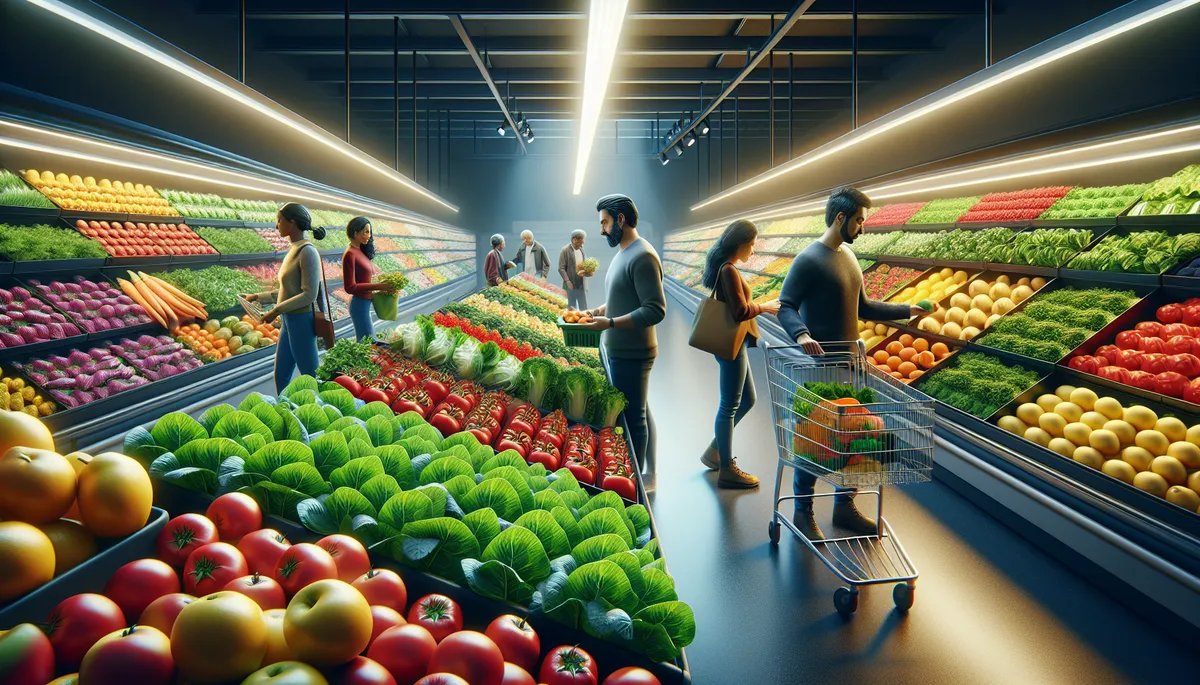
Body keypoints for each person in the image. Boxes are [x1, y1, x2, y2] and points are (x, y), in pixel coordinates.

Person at [777, 187, 930, 539]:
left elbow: (864, 307)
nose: (863, 228)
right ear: (841, 218)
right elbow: (786, 304)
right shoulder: (808, 260)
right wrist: (801, 335)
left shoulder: (848, 257)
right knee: (815, 441)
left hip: (850, 367)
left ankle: (845, 506)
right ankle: (803, 511)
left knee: (855, 440)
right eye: (859, 220)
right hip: (819, 368)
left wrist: (908, 311)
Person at [583, 194, 666, 472]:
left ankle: (639, 480)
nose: (601, 229)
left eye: (605, 222)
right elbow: (624, 297)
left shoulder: (643, 256)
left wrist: (610, 324)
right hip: (620, 348)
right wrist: (597, 312)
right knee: (639, 409)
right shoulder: (624, 253)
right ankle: (651, 469)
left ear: (620, 219)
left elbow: (654, 309)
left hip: (634, 351)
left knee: (633, 418)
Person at [697, 219, 780, 489]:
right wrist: (765, 306)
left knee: (747, 399)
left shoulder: (727, 269)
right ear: (741, 243)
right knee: (730, 404)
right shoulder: (729, 270)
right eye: (752, 244)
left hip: (736, 343)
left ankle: (714, 451)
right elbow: (740, 311)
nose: (753, 250)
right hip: (732, 345)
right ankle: (727, 469)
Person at [247, 203, 329, 394]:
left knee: (310, 377)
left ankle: (319, 416)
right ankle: (287, 412)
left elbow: (308, 295)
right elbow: (288, 290)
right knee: (281, 375)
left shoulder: (308, 252)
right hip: (288, 321)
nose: (276, 225)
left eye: (279, 220)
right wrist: (258, 297)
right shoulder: (294, 249)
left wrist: (276, 310)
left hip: (302, 322)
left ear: (291, 222)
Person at [342, 216, 390, 341]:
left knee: (368, 341)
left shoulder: (360, 251)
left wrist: (383, 283)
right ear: (355, 232)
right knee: (367, 343)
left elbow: (366, 277)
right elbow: (350, 287)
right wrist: (379, 286)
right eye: (366, 231)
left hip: (366, 303)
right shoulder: (350, 254)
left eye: (370, 231)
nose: (369, 235)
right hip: (359, 304)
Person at [558, 229, 590, 310]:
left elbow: (584, 265)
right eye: (581, 242)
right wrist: (567, 281)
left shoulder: (581, 250)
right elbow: (561, 268)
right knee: (571, 309)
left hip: (581, 285)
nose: (582, 245)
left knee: (584, 308)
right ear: (574, 239)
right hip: (570, 285)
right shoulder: (565, 250)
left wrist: (587, 272)